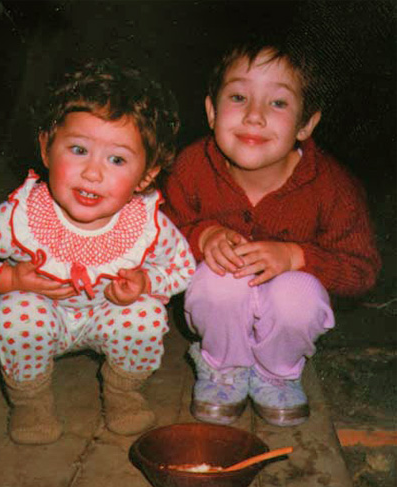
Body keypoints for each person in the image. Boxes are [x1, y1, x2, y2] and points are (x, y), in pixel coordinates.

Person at [0, 59, 195, 444]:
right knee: (16, 315)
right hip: (41, 315)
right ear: (47, 147)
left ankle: (122, 392)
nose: (93, 173)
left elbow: (183, 267)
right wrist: (10, 278)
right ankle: (31, 401)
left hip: (108, 314)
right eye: (79, 149)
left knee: (146, 315)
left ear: (146, 176)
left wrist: (145, 281)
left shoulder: (146, 226)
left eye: (117, 159)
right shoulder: (20, 218)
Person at [162, 37, 380, 427]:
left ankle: (276, 373)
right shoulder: (190, 167)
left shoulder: (333, 187)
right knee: (216, 282)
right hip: (220, 307)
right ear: (211, 111)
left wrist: (298, 257)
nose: (255, 116)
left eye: (278, 103)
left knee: (299, 294)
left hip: (288, 309)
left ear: (306, 124)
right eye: (238, 98)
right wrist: (203, 237)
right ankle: (223, 367)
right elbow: (157, 230)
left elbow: (362, 269)